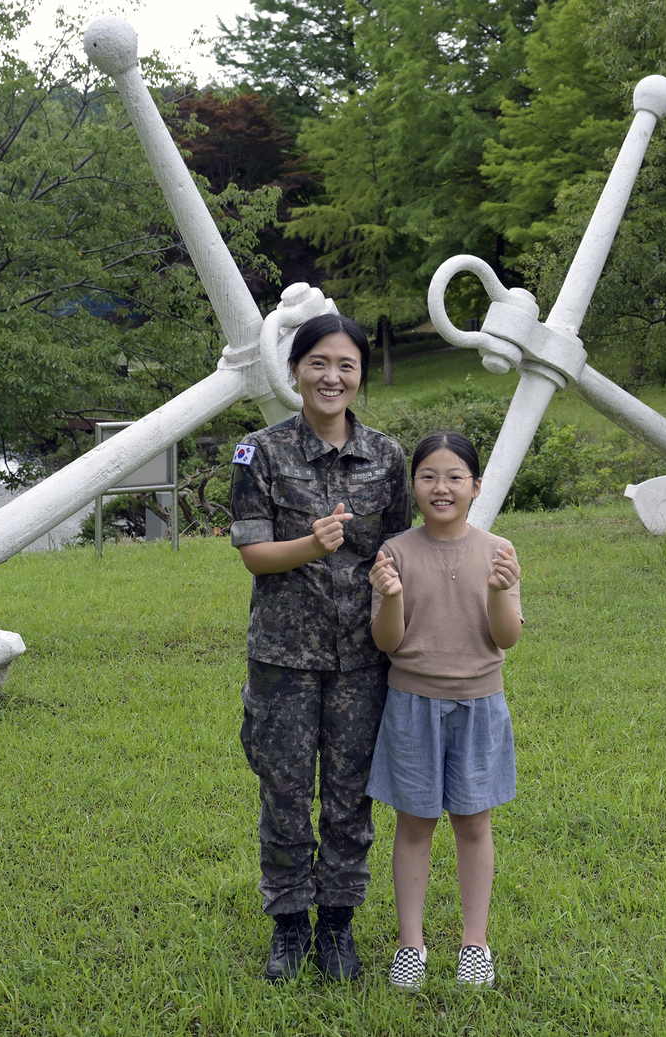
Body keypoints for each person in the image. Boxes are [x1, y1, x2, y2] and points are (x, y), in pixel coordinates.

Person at [229, 312, 411, 983]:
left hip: (364, 658)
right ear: (296, 370)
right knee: (282, 792)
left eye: (346, 366)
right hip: (284, 657)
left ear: (360, 376)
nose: (332, 377)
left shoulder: (388, 457)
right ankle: (287, 925)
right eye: (318, 363)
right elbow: (253, 554)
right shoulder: (260, 452)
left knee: (349, 795)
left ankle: (336, 923)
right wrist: (313, 543)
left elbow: (400, 550)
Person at [366, 430, 523, 991]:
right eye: (429, 476)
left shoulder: (497, 550)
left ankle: (474, 945)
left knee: (474, 824)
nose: (441, 487)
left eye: (455, 476)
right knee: (414, 826)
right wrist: (389, 595)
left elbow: (506, 637)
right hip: (412, 704)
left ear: (476, 487)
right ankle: (411, 946)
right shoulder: (396, 552)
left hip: (481, 703)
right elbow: (389, 642)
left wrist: (503, 590)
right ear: (413, 486)